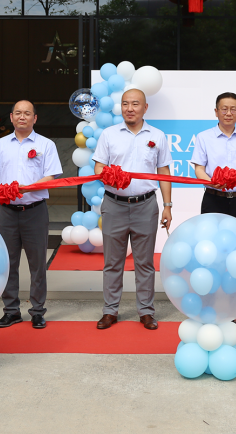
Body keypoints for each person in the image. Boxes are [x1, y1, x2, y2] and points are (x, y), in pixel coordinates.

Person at [92, 88, 173, 331]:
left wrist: (167, 205)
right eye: (125, 104)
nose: (130, 108)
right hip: (114, 205)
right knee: (112, 262)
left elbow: (164, 172)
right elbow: (98, 168)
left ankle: (146, 311)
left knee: (145, 263)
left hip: (146, 206)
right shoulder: (109, 134)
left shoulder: (157, 136)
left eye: (135, 104)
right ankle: (110, 311)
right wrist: (109, 177)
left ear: (145, 108)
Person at [0, 100, 62, 330]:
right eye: (18, 113)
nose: (22, 117)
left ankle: (37, 311)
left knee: (37, 264)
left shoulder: (46, 145)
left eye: (27, 113)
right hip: (6, 212)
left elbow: (51, 177)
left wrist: (26, 189)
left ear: (34, 118)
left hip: (35, 211)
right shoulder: (0, 145)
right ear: (11, 117)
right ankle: (11, 311)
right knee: (7, 263)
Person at [191, 91, 236, 329]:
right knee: (210, 255)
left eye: (233, 109)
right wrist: (212, 182)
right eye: (224, 108)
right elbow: (199, 169)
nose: (228, 113)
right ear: (216, 111)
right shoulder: (204, 137)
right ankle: (209, 307)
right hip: (213, 200)